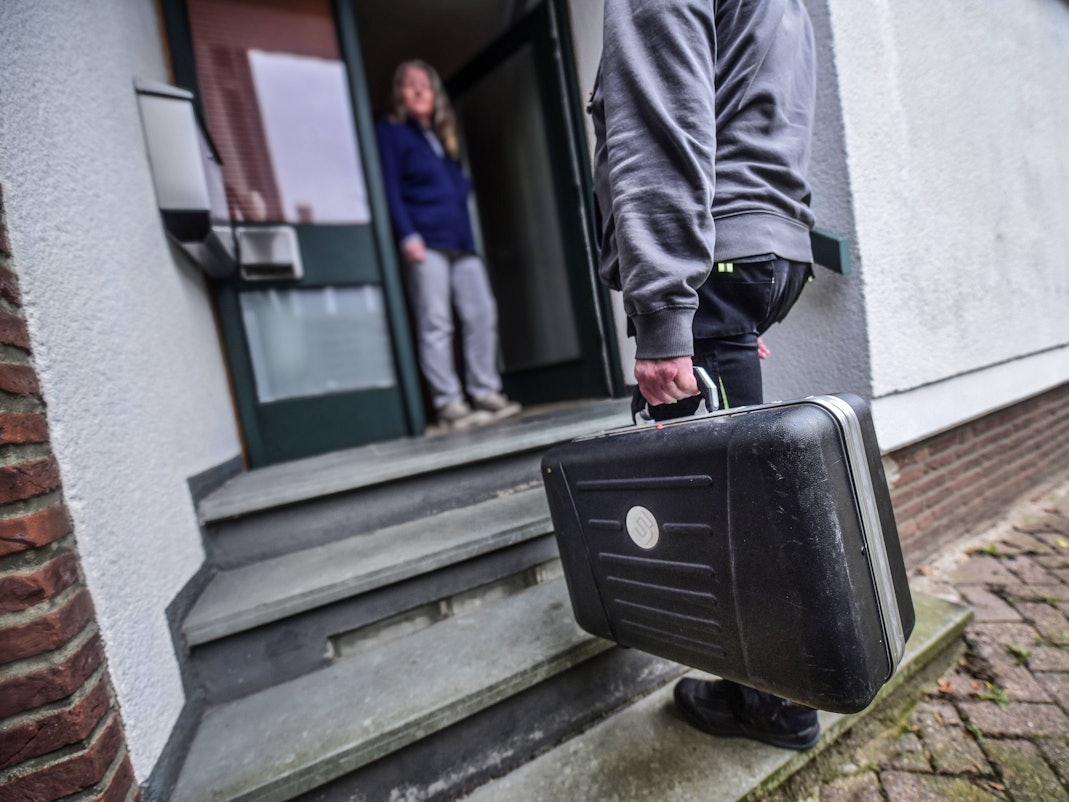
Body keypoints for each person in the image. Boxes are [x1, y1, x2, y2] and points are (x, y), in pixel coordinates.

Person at [590, 0, 821, 749]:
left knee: (724, 512)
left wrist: (663, 317)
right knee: (746, 493)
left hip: (711, 253)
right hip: (759, 249)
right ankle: (775, 685)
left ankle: (778, 701)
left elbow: (660, 118)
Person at [375, 60, 521, 430]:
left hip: (461, 243)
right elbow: (389, 189)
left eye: (426, 84)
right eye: (410, 85)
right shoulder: (392, 133)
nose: (420, 90)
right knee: (436, 322)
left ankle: (485, 391)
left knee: (482, 314)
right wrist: (407, 235)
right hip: (425, 243)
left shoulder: (442, 140)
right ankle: (448, 402)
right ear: (400, 94)